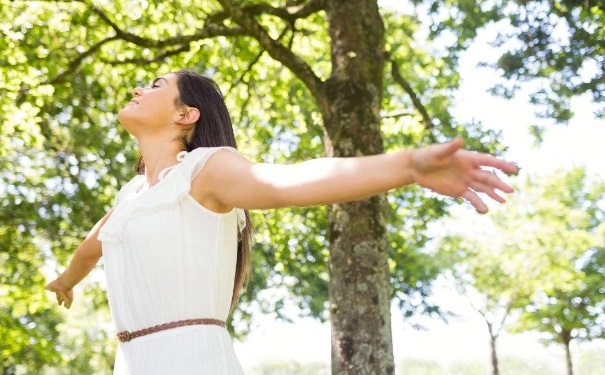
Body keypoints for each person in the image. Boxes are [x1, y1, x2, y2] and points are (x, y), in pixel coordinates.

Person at [45, 69, 518, 374]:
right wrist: (65, 281)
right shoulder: (132, 196)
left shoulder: (207, 168)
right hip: (129, 362)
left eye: (154, 86)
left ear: (186, 114)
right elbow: (94, 245)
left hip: (189, 361)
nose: (137, 89)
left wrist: (407, 166)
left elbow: (285, 182)